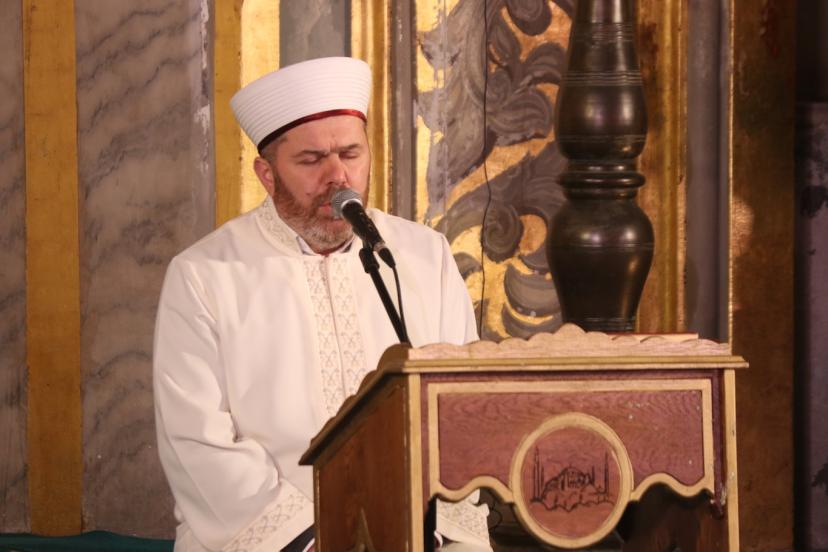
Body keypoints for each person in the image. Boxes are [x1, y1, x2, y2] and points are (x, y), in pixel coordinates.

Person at [153, 57, 492, 552]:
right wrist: (317, 541)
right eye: (312, 160)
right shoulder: (204, 276)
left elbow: (464, 410)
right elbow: (197, 441)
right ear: (267, 175)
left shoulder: (424, 257)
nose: (339, 177)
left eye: (351, 153)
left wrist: (434, 531)